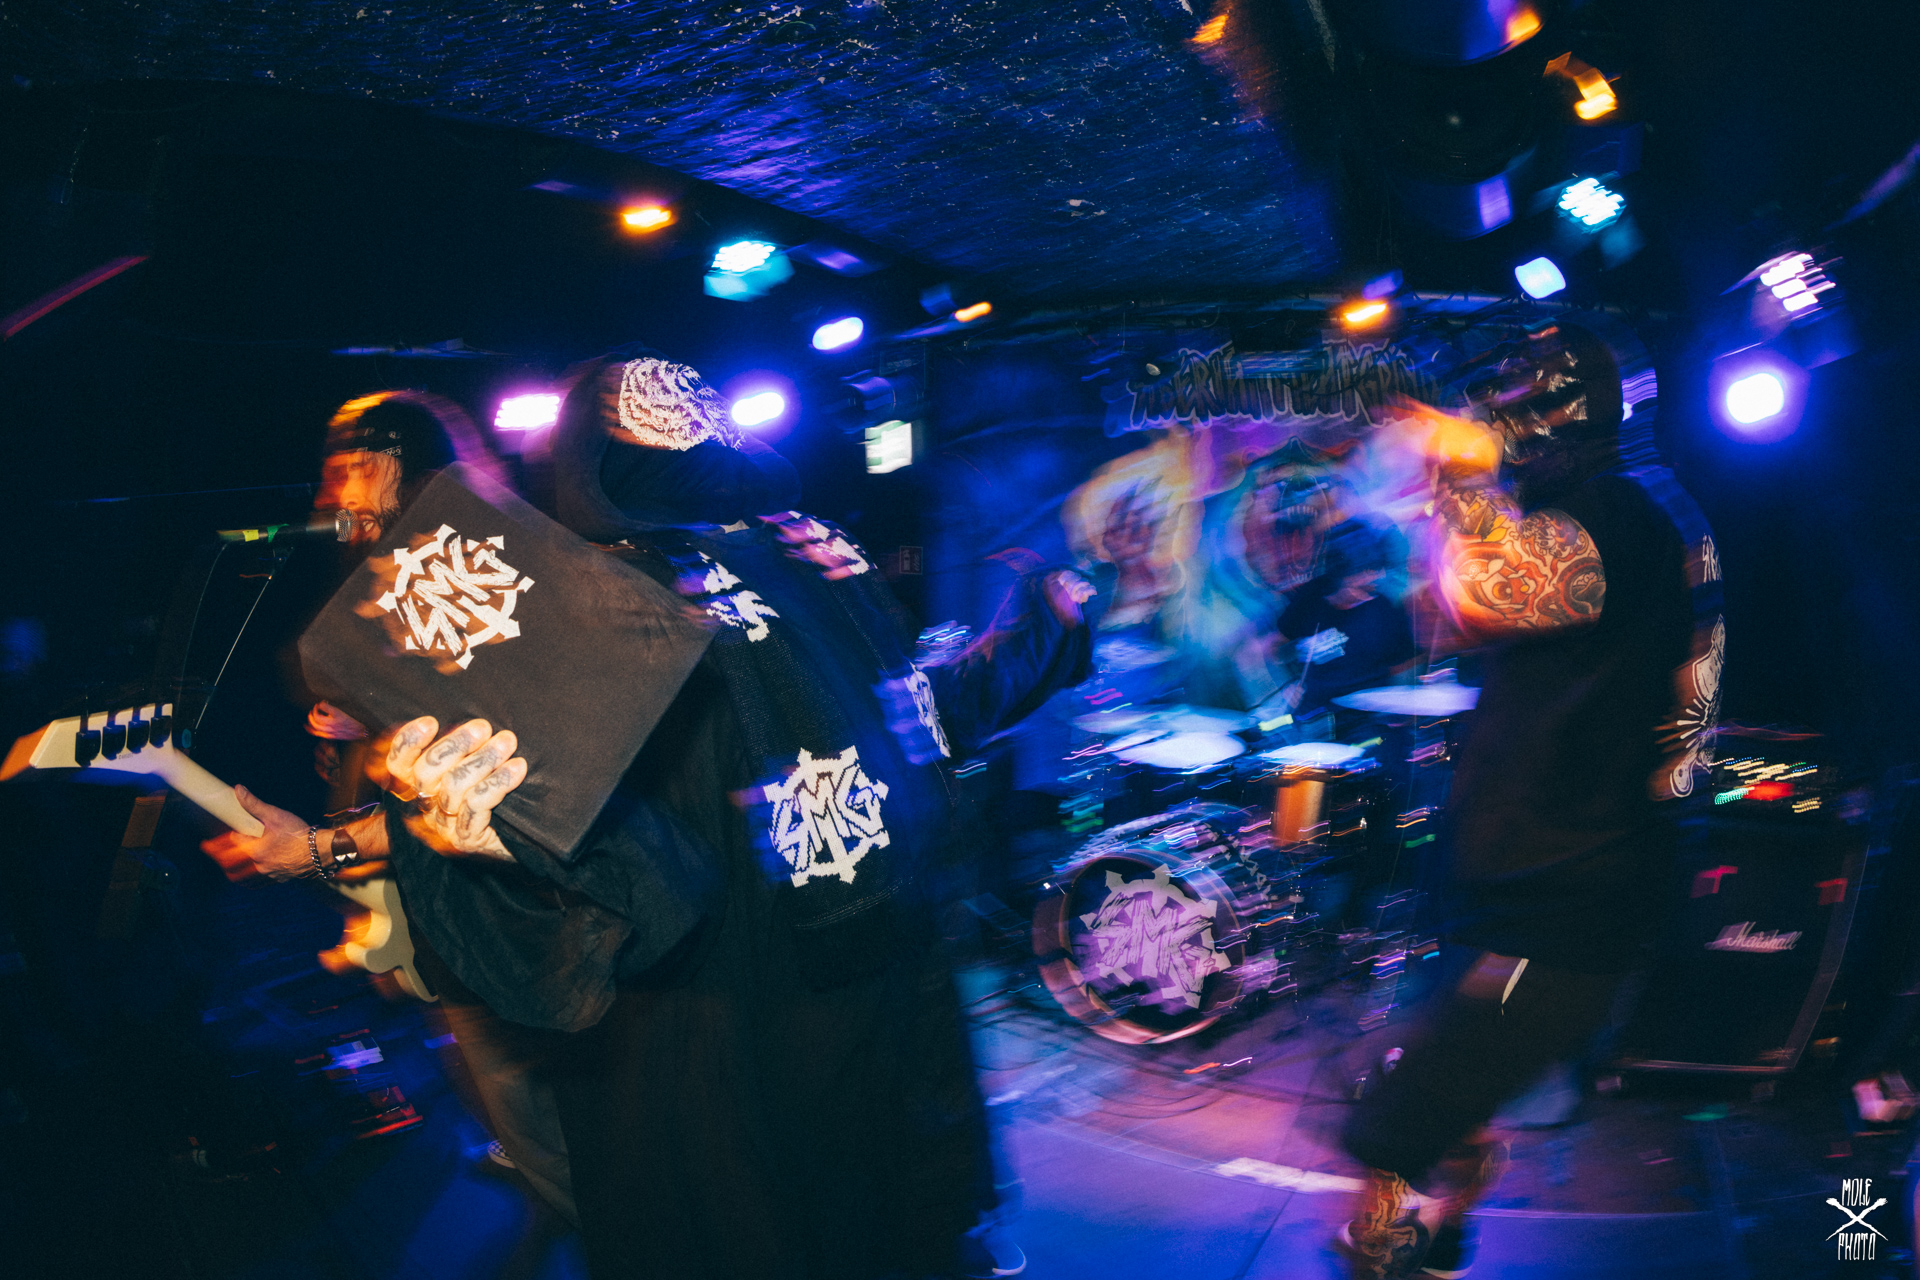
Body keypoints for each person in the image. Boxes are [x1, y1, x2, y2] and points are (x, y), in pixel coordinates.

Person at [213, 353, 1092, 1280]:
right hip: (877, 1004)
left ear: (580, 460)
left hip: (718, 1038)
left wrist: (361, 847)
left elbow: (636, 876)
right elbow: (925, 717)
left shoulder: (588, 607)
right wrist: (1039, 633)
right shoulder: (812, 554)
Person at [1334, 323, 1723, 1279]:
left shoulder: (1621, 513)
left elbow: (1485, 593)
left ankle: (1383, 1248)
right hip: (1536, 881)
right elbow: (1457, 612)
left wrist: (1461, 474)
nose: (1493, 435)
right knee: (1453, 1087)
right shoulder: (1624, 508)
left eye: (1504, 416)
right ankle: (1439, 1232)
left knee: (1402, 1116)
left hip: (1564, 895)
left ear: (1552, 418)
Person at [199, 391, 580, 1225]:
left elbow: (498, 778)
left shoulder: (464, 572)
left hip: (499, 906)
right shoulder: (412, 568)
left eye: (354, 469)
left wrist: (318, 850)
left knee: (537, 1105)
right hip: (453, 898)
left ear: (403, 465)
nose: (336, 494)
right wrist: (358, 719)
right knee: (498, 1078)